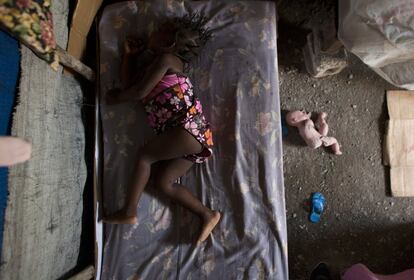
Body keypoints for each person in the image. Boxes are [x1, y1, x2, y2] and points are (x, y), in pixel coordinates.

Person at [103, 13, 221, 245]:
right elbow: (133, 87)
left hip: (186, 128)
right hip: (195, 134)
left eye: (158, 30)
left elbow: (137, 93)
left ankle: (129, 211)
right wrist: (129, 58)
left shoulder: (166, 60)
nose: (151, 32)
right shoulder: (157, 64)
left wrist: (116, 98)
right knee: (163, 183)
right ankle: (207, 214)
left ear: (169, 43)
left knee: (145, 157)